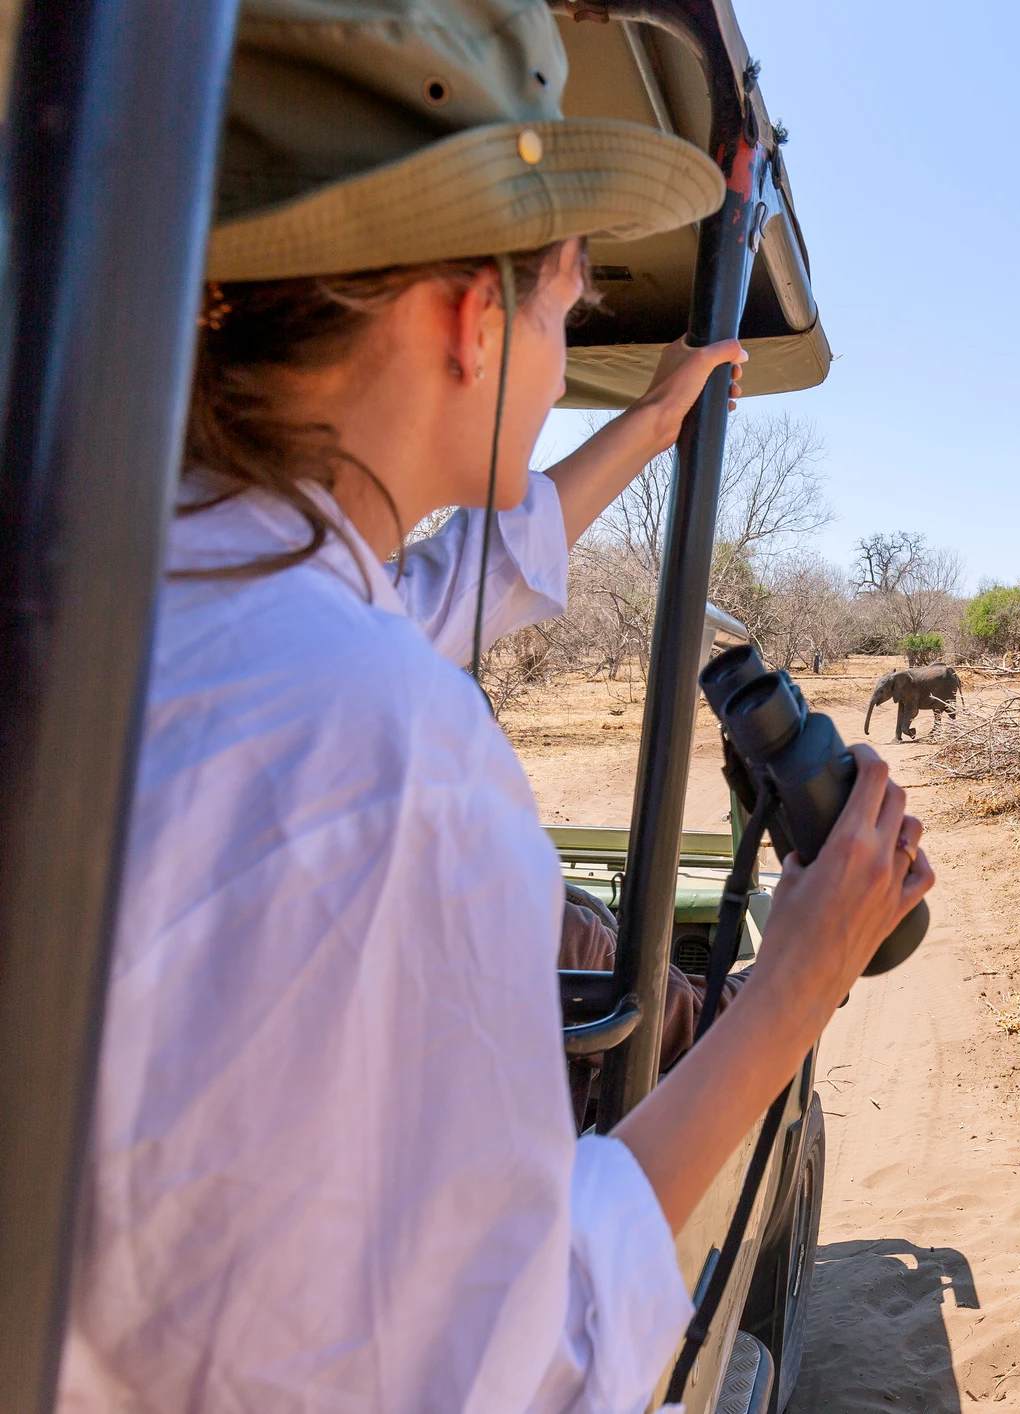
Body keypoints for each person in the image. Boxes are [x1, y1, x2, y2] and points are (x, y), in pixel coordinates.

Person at [59, 2, 932, 1410]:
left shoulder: (122, 594)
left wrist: (642, 427)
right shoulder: (387, 747)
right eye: (561, 290)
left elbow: (439, 584)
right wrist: (792, 989)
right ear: (475, 318)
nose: (570, 315)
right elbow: (535, 1354)